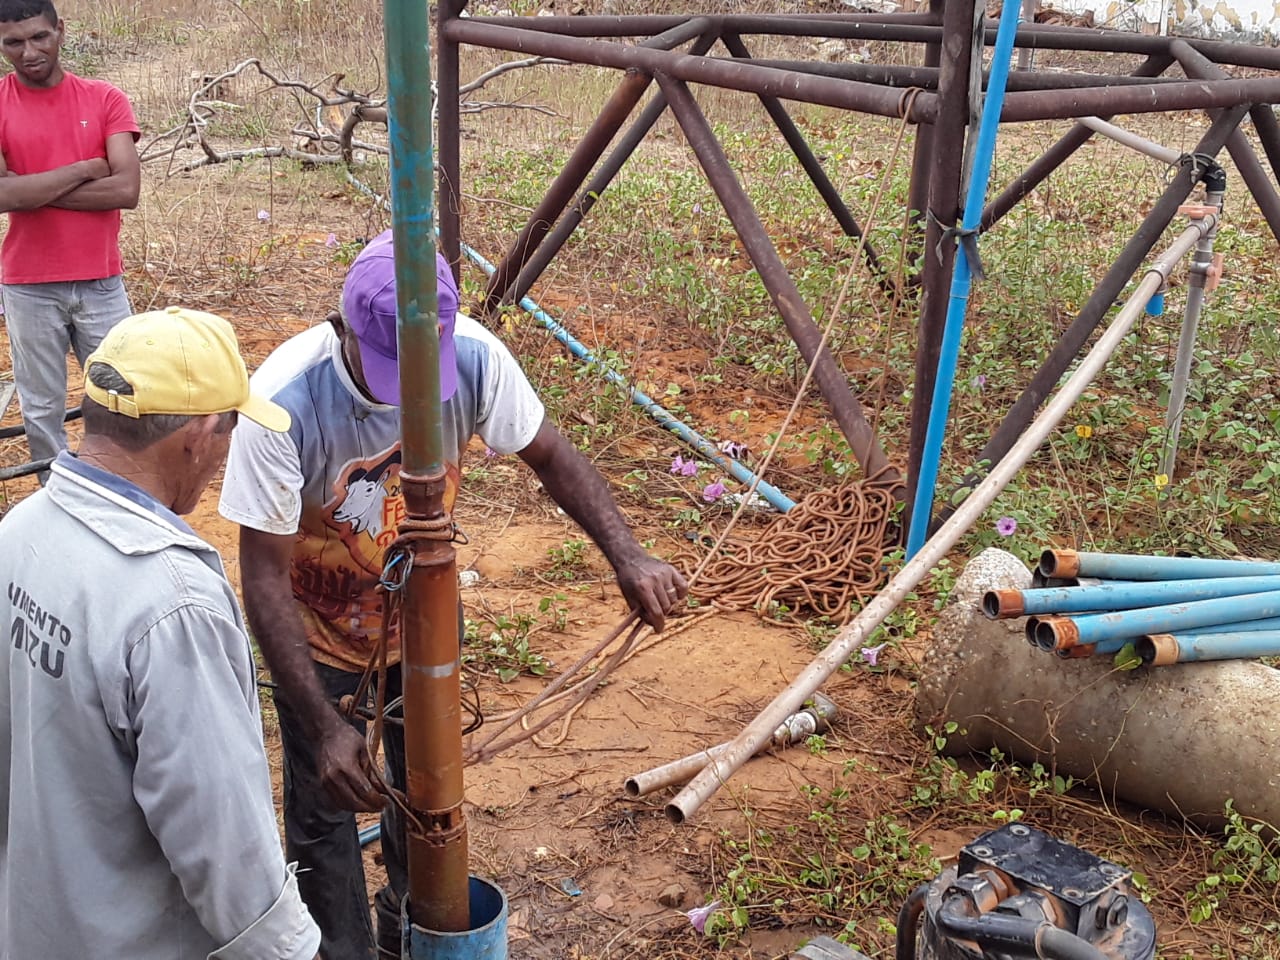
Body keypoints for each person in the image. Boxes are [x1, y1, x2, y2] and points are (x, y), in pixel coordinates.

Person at [219, 230, 689, 959]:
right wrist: (322, 722)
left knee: (427, 787)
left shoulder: (473, 356)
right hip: (318, 632)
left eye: (419, 368)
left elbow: (553, 457)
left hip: (423, 621)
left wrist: (628, 556)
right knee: (326, 807)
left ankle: (411, 927)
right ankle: (340, 948)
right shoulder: (282, 404)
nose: (410, 391)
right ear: (341, 327)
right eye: (390, 370)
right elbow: (261, 577)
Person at [0, 307, 321, 960]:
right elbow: (223, 844)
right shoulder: (171, 605)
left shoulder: (20, 535)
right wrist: (291, 950)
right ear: (200, 434)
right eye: (230, 427)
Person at [0, 0, 141, 467]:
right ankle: (56, 500)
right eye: (13, 43)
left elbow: (125, 188)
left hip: (101, 281)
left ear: (61, 31)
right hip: (27, 285)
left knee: (127, 395)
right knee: (42, 409)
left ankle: (124, 493)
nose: (29, 51)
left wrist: (29, 187)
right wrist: (82, 169)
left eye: (39, 36)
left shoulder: (105, 98)